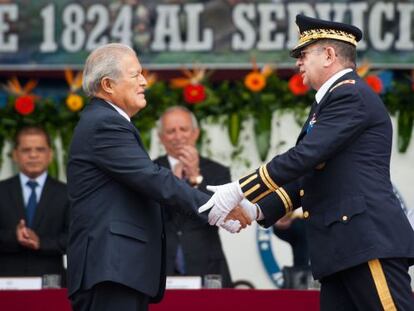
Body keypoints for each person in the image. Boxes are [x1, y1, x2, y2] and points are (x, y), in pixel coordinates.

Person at [200, 15, 414, 310]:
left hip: (365, 243)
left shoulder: (350, 94)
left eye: (303, 54)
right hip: (342, 250)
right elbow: (311, 174)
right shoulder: (331, 101)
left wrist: (238, 189)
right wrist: (257, 208)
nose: (298, 62)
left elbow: (304, 157)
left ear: (328, 55)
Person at [66, 43, 249, 311]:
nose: (144, 82)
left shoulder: (105, 121)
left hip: (119, 270)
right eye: (135, 75)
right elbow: (153, 178)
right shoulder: (105, 123)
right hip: (111, 270)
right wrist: (216, 207)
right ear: (108, 84)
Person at [155, 106, 232, 287]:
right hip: (160, 267)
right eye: (171, 131)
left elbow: (220, 216)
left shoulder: (218, 171)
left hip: (208, 266)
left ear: (195, 133)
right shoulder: (151, 171)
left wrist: (195, 178)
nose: (178, 136)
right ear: (161, 138)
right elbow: (149, 217)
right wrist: (172, 184)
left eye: (183, 129)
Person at [0, 126, 69, 283]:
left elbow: (75, 238)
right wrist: (14, 236)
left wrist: (41, 242)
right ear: (15, 155)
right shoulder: (1, 191)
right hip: (6, 281)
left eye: (40, 149)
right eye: (26, 150)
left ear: (50, 154)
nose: (33, 155)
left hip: (51, 280)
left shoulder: (67, 194)